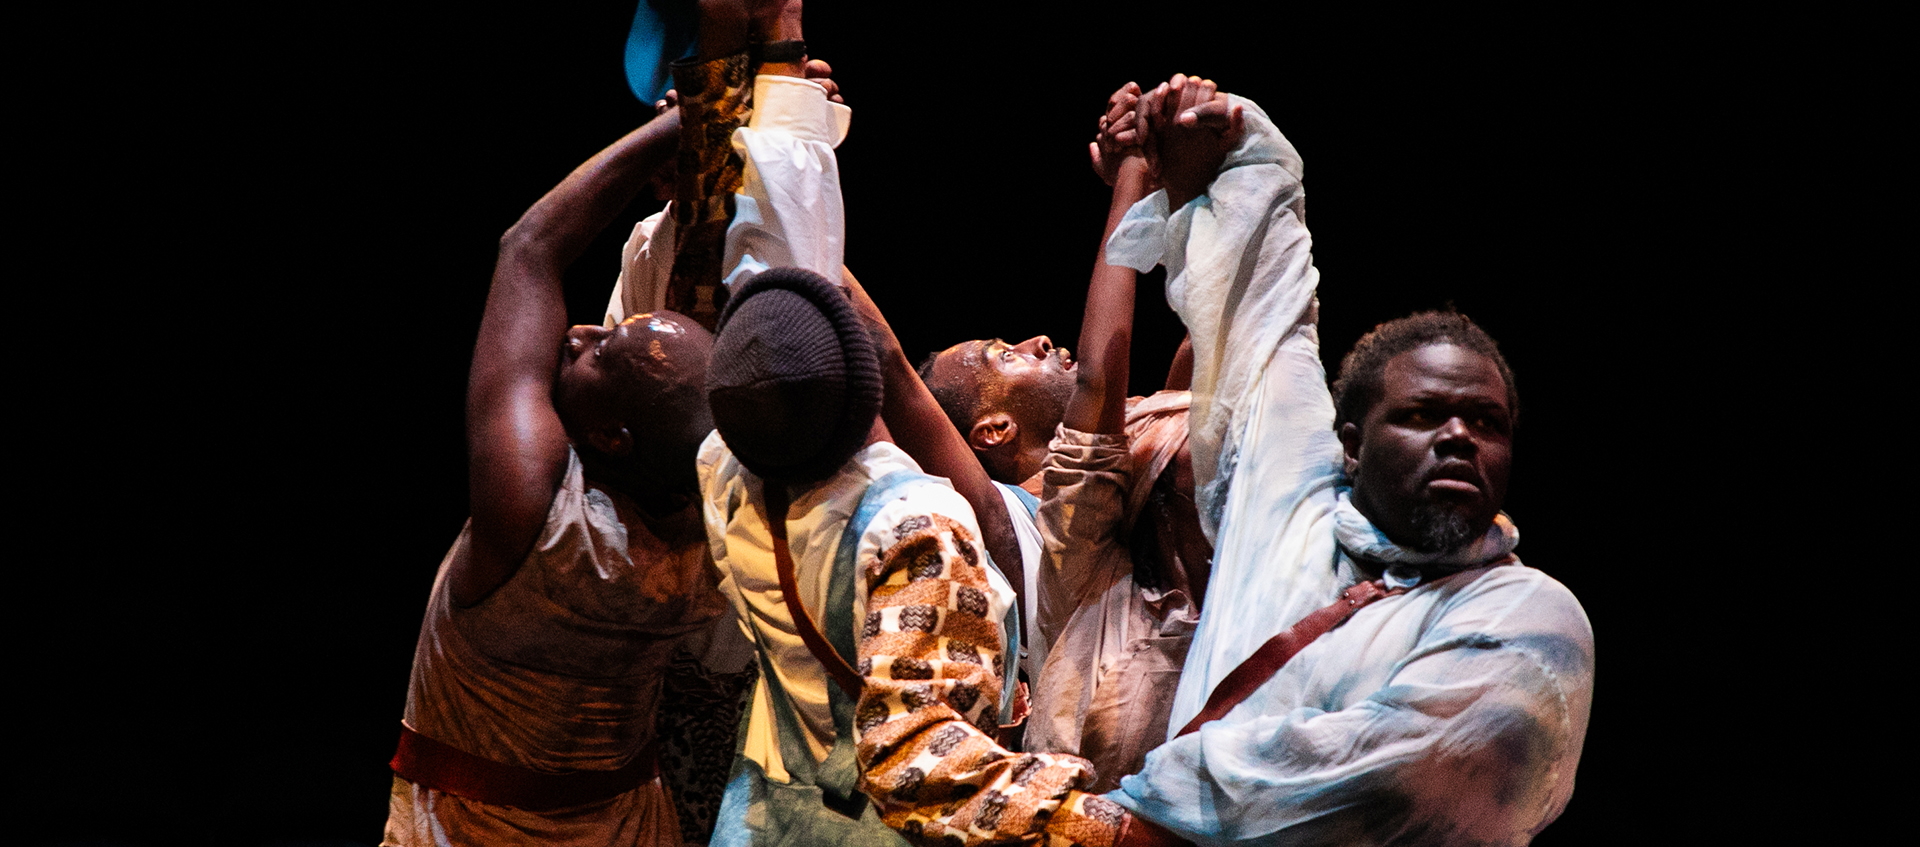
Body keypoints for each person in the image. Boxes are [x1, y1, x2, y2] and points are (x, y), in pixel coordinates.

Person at [1095, 75, 1595, 846]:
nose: (1459, 435)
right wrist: (1217, 154)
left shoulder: (1533, 618)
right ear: (1351, 444)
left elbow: (1382, 774)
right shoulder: (1291, 509)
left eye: (1486, 422)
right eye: (1423, 415)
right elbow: (1271, 315)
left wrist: (1126, 806)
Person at [382, 96, 731, 844]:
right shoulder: (718, 530)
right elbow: (696, 370)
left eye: (597, 353)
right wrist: (736, 154)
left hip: (465, 827)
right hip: (630, 826)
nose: (576, 335)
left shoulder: (533, 517)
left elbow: (530, 246)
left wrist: (682, 123)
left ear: (610, 435)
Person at [911, 83, 1214, 788]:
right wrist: (1136, 174)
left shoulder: (1145, 430)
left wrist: (1183, 179)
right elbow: (1097, 387)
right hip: (1120, 775)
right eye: (1001, 354)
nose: (1035, 339)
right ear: (992, 428)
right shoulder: (1009, 523)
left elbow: (1216, 332)